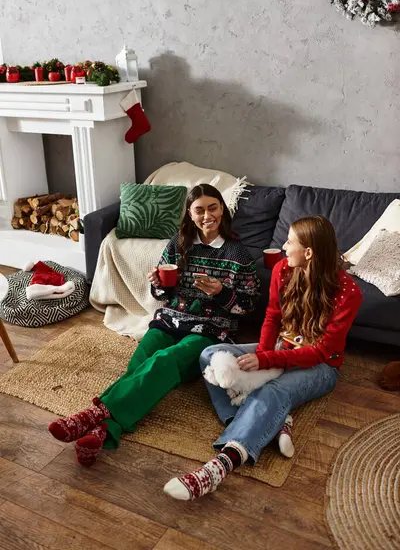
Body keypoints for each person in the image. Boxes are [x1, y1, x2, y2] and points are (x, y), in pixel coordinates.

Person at [48, 184, 260, 466]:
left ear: (222, 210)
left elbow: (248, 307)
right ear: (190, 213)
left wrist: (221, 292)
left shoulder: (239, 255)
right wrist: (158, 285)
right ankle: (104, 430)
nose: (207, 215)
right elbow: (162, 296)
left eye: (213, 207)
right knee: (138, 364)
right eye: (199, 209)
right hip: (170, 320)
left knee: (163, 360)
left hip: (211, 330)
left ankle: (93, 414)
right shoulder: (178, 243)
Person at [164, 215, 363, 501]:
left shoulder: (348, 292)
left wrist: (267, 363)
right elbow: (272, 317)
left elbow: (322, 350)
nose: (283, 247)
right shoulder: (283, 270)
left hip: (321, 365)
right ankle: (269, 418)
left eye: (289, 242)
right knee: (210, 355)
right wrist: (262, 356)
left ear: (308, 253)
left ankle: (221, 466)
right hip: (281, 348)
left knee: (274, 389)